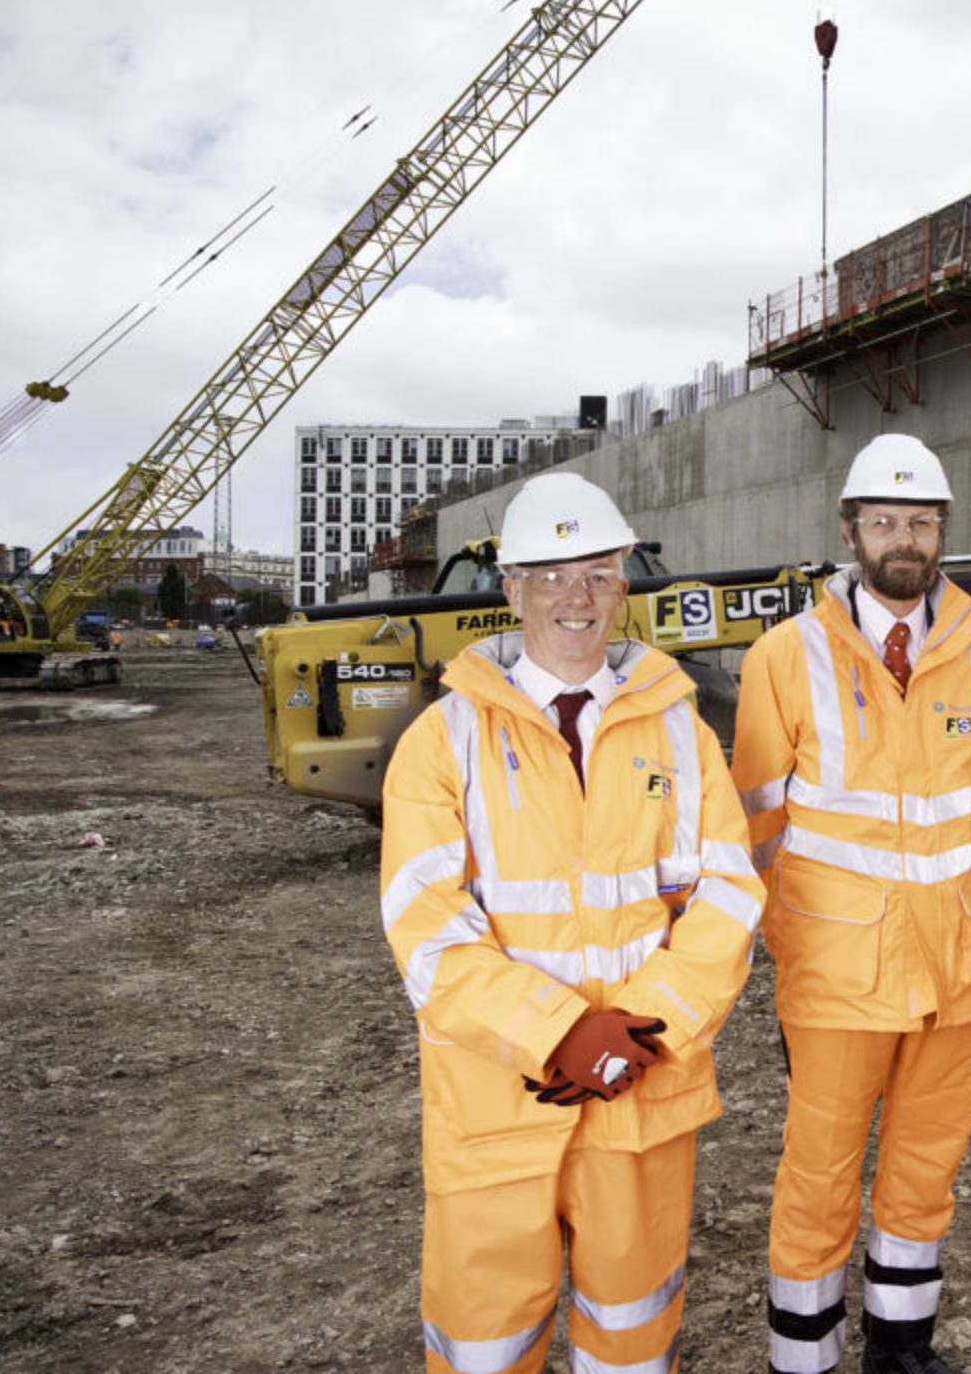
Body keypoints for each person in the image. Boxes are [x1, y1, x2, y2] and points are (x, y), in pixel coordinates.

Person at [378, 471, 767, 1374]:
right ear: (509, 590)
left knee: (630, 1338)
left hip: (640, 1093)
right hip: (498, 1103)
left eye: (595, 572)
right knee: (485, 1348)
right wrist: (559, 1033)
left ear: (622, 583)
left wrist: (640, 1031)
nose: (575, 597)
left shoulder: (681, 731)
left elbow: (730, 892)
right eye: (549, 576)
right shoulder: (445, 741)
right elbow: (424, 926)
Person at [737, 433, 971, 1374]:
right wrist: (788, 965)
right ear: (849, 530)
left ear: (942, 536)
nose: (904, 539)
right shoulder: (783, 658)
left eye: (921, 523)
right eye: (885, 521)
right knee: (817, 1177)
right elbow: (756, 828)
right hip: (837, 973)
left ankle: (901, 1347)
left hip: (952, 970)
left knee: (926, 1167)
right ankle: (803, 1359)